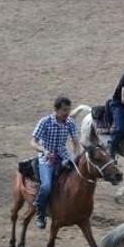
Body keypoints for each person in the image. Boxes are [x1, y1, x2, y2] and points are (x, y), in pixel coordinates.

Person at [30, 96, 80, 229]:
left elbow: (76, 143)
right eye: (64, 110)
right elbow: (33, 142)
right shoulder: (45, 122)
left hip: (64, 157)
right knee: (46, 186)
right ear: (56, 110)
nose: (67, 113)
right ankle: (40, 211)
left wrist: (75, 155)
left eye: (68, 110)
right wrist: (44, 151)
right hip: (46, 159)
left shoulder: (70, 123)